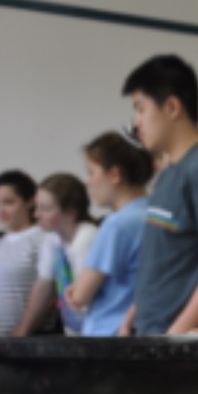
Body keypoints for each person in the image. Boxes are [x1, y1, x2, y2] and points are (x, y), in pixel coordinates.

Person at [119, 54, 198, 335]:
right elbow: (163, 258)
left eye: (140, 109)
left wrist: (175, 337)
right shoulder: (169, 174)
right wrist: (133, 315)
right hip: (149, 336)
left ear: (172, 107)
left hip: (178, 347)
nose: (136, 123)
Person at [67, 132, 153, 336]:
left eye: (91, 173)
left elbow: (80, 296)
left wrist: (74, 290)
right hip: (142, 330)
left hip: (109, 334)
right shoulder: (158, 215)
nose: (87, 182)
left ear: (115, 175)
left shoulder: (117, 224)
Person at [13, 173, 97, 337]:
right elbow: (42, 285)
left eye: (45, 209)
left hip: (97, 331)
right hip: (75, 330)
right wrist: (22, 331)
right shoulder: (52, 238)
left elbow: (84, 294)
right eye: (36, 207)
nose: (36, 215)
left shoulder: (87, 237)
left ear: (71, 212)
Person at [0, 169, 44, 342]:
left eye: (9, 202)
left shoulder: (42, 238)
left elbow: (50, 292)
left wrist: (22, 331)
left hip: (29, 342)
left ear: (30, 201)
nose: (1, 210)